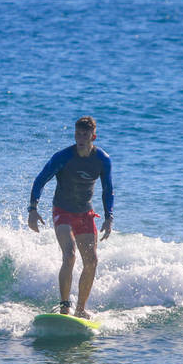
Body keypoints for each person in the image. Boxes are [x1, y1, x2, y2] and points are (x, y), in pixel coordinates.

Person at [28, 116, 113, 319]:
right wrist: (32, 209)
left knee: (91, 261)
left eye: (85, 135)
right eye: (77, 134)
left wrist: (109, 218)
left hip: (85, 214)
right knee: (69, 255)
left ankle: (81, 309)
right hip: (63, 212)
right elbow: (40, 180)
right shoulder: (63, 157)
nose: (80, 138)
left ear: (93, 136)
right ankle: (65, 305)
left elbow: (108, 190)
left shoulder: (102, 160)